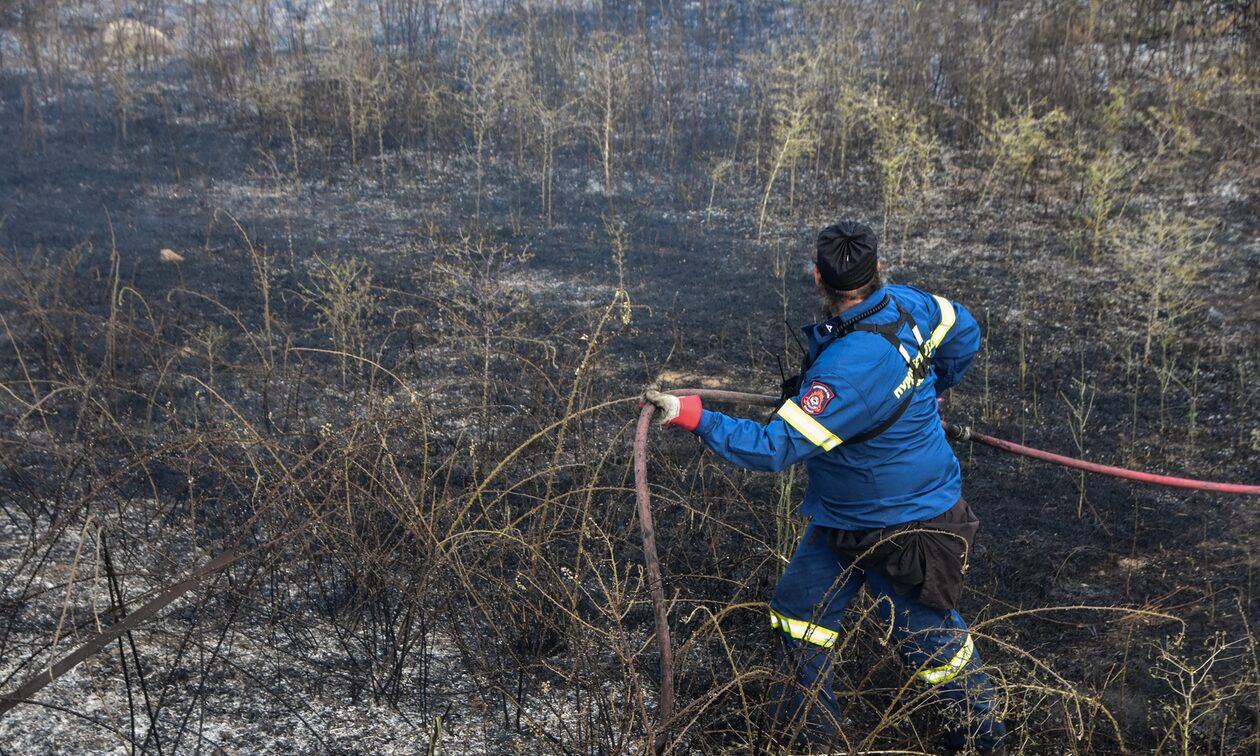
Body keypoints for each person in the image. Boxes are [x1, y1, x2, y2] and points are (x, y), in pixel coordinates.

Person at [642, 221, 1007, 754]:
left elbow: (773, 448)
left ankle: (982, 737)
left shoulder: (844, 373)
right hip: (844, 512)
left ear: (818, 276)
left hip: (903, 523)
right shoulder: (912, 306)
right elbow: (964, 327)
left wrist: (693, 416)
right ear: (878, 269)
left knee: (930, 642)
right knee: (798, 613)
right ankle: (816, 737)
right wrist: (931, 379)